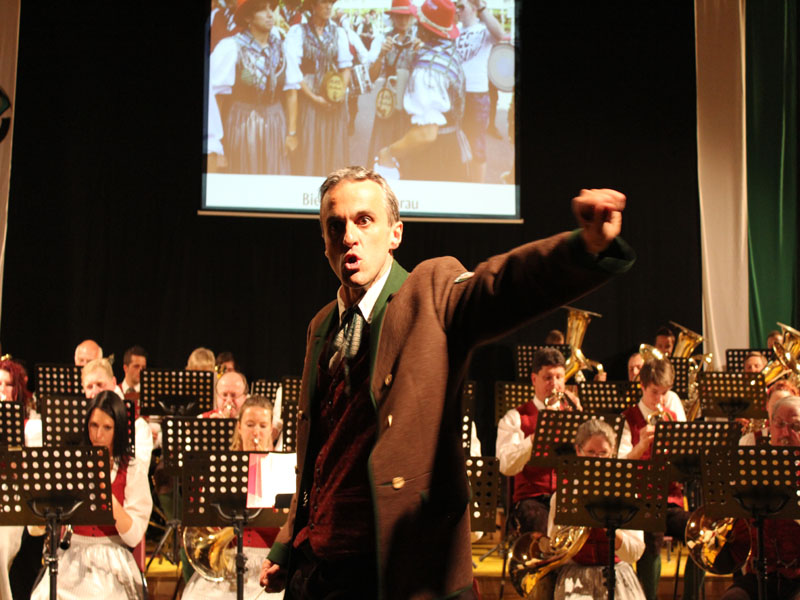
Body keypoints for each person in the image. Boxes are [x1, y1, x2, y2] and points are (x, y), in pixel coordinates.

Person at [258, 166, 634, 599]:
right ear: (324, 242)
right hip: (319, 571)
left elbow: (504, 285)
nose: (348, 236)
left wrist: (585, 247)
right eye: (335, 226)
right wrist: (288, 543)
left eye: (364, 220)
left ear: (395, 233)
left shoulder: (429, 294)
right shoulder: (322, 325)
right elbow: (318, 456)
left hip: (401, 572)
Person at [30, 391, 153, 600]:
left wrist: (103, 492)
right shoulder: (72, 464)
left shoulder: (131, 468)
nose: (98, 435)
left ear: (118, 430)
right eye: (93, 426)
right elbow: (36, 528)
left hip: (112, 554)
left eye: (107, 428)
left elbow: (133, 536)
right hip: (73, 553)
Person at [182, 395, 284, 600]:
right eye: (250, 425)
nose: (256, 432)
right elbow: (203, 518)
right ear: (239, 427)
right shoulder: (221, 467)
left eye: (263, 426)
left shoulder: (281, 469)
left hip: (267, 562)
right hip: (229, 560)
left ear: (271, 430)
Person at [618, 358, 701, 600]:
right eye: (655, 392)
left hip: (669, 499)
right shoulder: (628, 418)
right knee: (652, 535)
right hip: (639, 501)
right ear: (642, 387)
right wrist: (641, 445)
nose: (660, 400)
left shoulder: (672, 416)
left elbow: (686, 463)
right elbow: (620, 465)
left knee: (702, 536)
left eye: (665, 393)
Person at [547, 418, 645, 600]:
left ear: (612, 452)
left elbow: (635, 552)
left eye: (603, 453)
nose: (597, 460)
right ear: (578, 451)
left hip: (617, 575)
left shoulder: (626, 493)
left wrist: (611, 531)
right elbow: (555, 550)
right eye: (591, 452)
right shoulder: (563, 496)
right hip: (576, 576)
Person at [377, 0, 469, 182]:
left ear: (424, 27)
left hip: (434, 157)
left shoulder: (428, 69)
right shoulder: (448, 52)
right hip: (453, 145)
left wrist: (388, 152)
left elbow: (427, 134)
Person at [720, 395, 800, 600]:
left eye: (795, 426)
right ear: (769, 426)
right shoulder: (752, 467)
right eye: (779, 424)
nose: (785, 433)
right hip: (759, 575)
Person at [496, 348, 581, 535]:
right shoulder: (515, 417)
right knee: (538, 523)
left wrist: (582, 424)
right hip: (532, 498)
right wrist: (536, 437)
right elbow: (505, 465)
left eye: (559, 377)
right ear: (534, 379)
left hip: (566, 497)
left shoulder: (573, 413)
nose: (555, 384)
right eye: (548, 378)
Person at [207, 0, 294, 175]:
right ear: (248, 18)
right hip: (243, 122)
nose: (270, 15)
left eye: (271, 9)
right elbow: (217, 98)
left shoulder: (281, 47)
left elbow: (291, 90)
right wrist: (217, 143)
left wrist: (291, 133)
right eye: (262, 10)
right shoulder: (231, 47)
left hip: (275, 122)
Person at [284, 0, 352, 176]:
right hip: (309, 97)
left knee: (334, 149)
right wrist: (314, 98)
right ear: (313, 6)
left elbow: (345, 67)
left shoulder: (338, 32)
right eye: (323, 2)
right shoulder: (298, 32)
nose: (328, 6)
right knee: (310, 146)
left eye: (331, 2)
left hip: (333, 97)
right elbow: (294, 72)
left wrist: (339, 93)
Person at [454, 0, 506, 182]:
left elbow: (500, 34)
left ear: (474, 8)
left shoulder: (484, 30)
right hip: (456, 95)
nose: (457, 10)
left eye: (462, 6)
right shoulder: (455, 30)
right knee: (456, 142)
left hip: (476, 94)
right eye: (456, 6)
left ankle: (478, 187)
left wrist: (482, 7)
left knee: (477, 145)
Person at [365, 0, 419, 166]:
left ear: (412, 17)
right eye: (399, 16)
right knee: (383, 145)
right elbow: (372, 76)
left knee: (408, 153)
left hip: (411, 103)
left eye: (407, 16)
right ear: (393, 17)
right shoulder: (382, 39)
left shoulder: (419, 39)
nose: (403, 20)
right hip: (387, 102)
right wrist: (381, 54)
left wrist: (421, 54)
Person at [82, 358, 154, 471]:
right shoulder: (79, 421)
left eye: (100, 384)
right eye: (89, 387)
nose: (95, 392)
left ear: (113, 383)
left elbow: (140, 469)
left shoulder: (138, 425)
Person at [739, 380, 799, 446]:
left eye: (786, 407)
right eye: (774, 406)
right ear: (767, 406)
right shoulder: (750, 441)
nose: (779, 413)